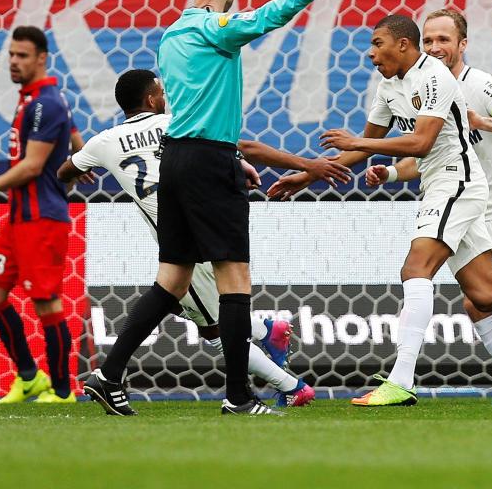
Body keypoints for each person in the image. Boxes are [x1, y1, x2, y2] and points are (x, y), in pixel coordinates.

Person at [271, 14, 492, 407]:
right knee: (484, 298)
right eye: (430, 38)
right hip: (452, 187)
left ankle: (401, 379)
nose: (371, 53)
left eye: (378, 44)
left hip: (473, 189)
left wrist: (479, 122)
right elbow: (371, 146)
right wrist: (308, 175)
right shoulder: (390, 86)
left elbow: (430, 141)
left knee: (421, 271)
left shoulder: (451, 80)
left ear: (407, 45)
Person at [81, 0, 332, 417]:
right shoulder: (214, 28)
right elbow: (260, 21)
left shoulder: (171, 35)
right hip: (209, 159)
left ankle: (108, 374)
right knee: (235, 278)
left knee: (172, 279)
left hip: (173, 159)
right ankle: (238, 395)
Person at [58, 69, 350, 410]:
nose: (167, 97)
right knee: (206, 311)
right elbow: (241, 146)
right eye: (162, 92)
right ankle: (265, 333)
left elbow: (64, 171)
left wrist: (81, 171)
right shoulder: (175, 124)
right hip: (202, 223)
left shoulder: (102, 143)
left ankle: (291, 385)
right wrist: (305, 164)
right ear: (152, 100)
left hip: (181, 240)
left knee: (211, 328)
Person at [0, 25, 87, 404]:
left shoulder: (45, 102)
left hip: (42, 219)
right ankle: (30, 377)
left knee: (47, 303)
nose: (14, 62)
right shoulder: (35, 99)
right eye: (11, 55)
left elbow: (32, 167)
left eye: (22, 55)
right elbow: (74, 131)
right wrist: (80, 156)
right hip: (18, 219)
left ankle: (63, 391)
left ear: (42, 58)